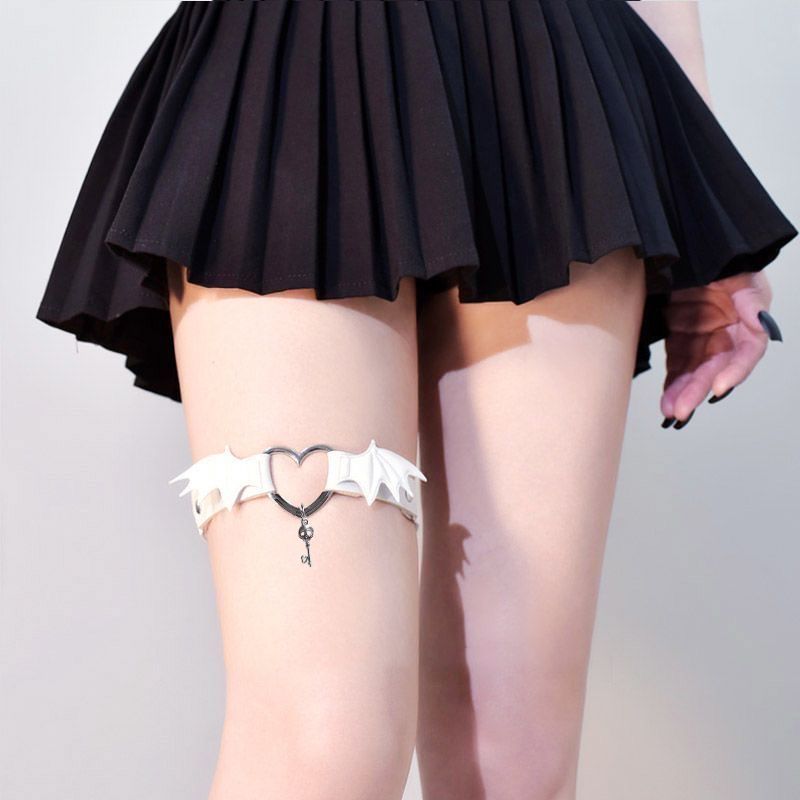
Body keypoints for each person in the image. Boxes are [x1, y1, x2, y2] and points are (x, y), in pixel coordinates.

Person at [34, 1, 795, 798]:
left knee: (515, 756)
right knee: (326, 743)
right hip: (294, 66)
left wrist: (704, 194)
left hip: (554, 78)